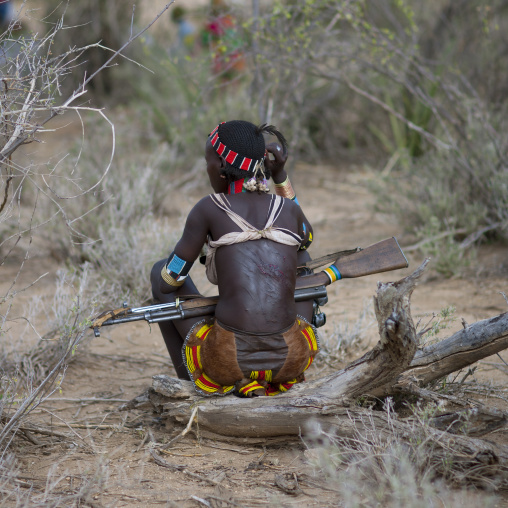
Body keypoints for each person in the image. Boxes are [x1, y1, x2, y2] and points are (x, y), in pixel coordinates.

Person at [151, 120, 318, 397]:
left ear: (219, 165)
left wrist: (194, 244)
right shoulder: (288, 209)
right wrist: (280, 177)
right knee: (304, 258)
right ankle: (273, 379)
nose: (207, 169)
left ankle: (195, 384)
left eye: (208, 161)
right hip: (291, 357)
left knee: (159, 273)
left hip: (228, 358)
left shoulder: (208, 209)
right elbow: (306, 238)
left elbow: (171, 280)